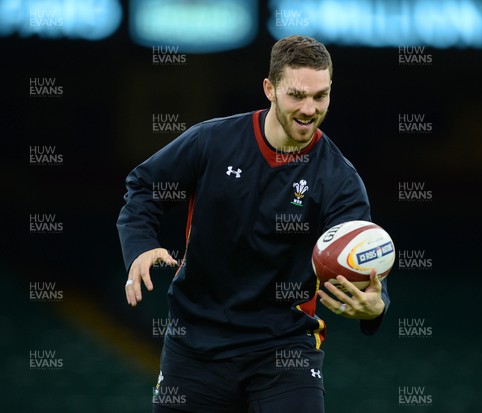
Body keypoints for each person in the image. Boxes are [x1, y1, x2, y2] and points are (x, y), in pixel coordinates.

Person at [117, 35, 390, 413]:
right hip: (196, 343)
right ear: (269, 89)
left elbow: (361, 254)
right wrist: (141, 245)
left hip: (284, 349)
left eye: (320, 96)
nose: (309, 109)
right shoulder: (212, 141)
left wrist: (377, 306)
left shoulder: (339, 180)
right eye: (297, 95)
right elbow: (144, 187)